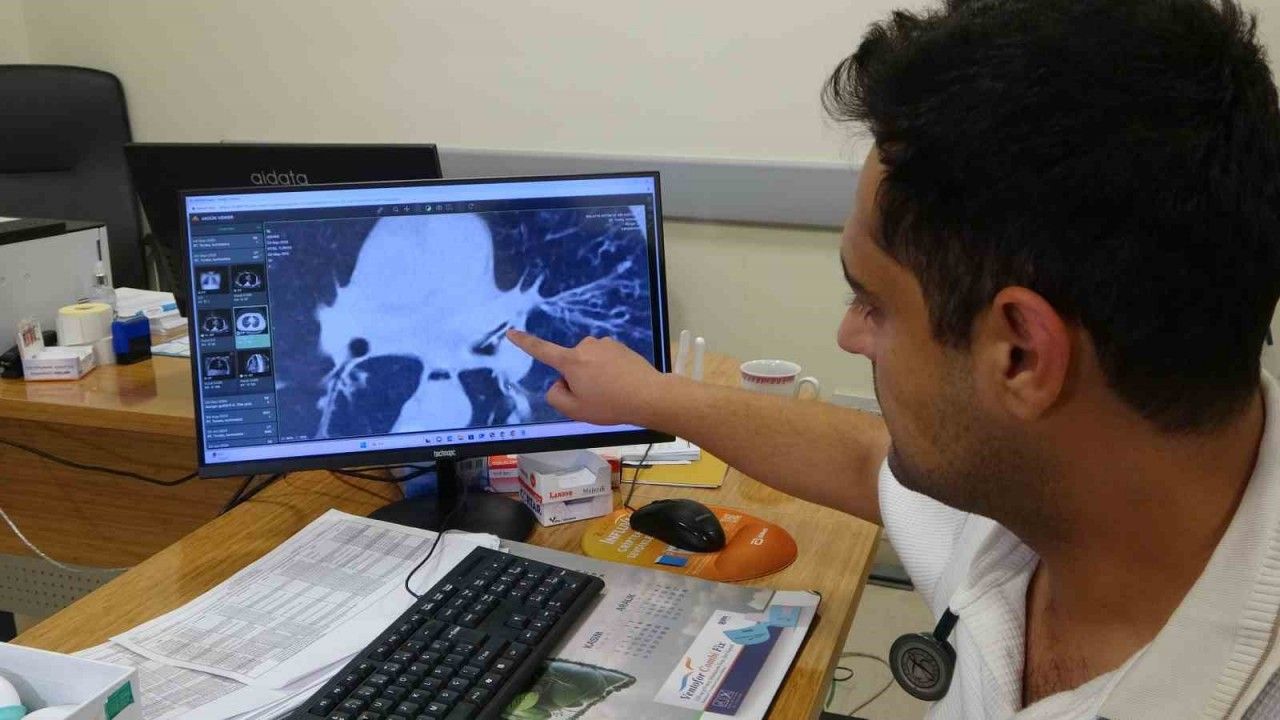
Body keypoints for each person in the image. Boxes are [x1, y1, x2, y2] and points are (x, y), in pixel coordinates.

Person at [509, 0, 1280, 717]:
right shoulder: (1063, 480)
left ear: (1020, 354)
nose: (850, 336)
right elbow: (863, 457)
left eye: (873, 302)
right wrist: (647, 395)